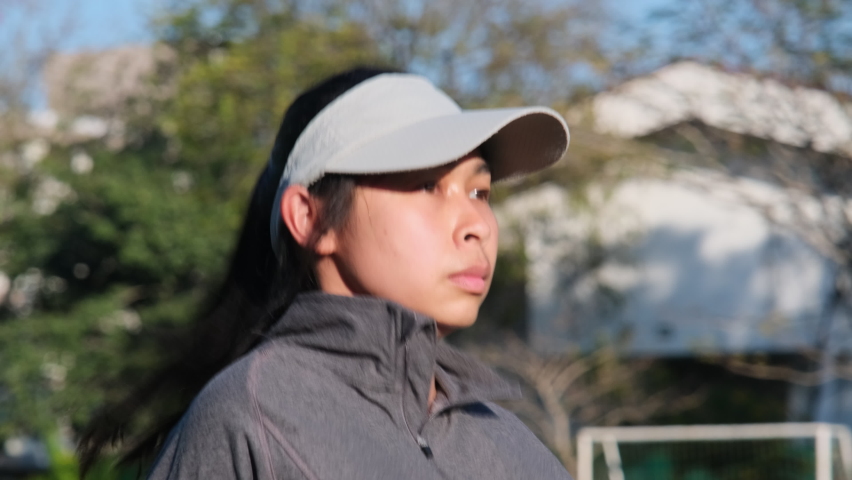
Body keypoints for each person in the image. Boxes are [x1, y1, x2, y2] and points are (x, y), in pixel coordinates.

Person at [80, 67, 573, 479]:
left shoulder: (512, 445)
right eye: (426, 184)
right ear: (310, 218)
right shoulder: (252, 417)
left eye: (480, 193)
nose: (476, 226)